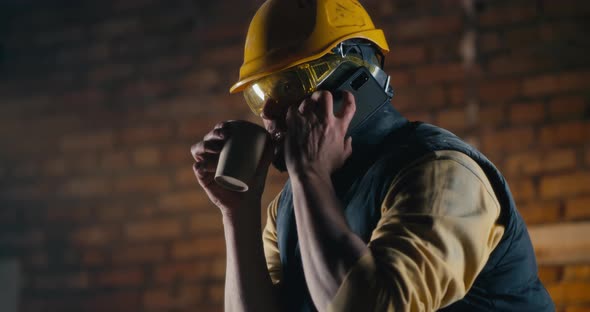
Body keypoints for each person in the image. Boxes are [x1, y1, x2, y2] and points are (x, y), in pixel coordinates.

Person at [191, 0, 555, 311]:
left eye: (288, 87)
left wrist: (309, 175)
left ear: (352, 79)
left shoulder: (443, 175)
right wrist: (237, 212)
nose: (268, 113)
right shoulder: (289, 207)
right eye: (259, 94)